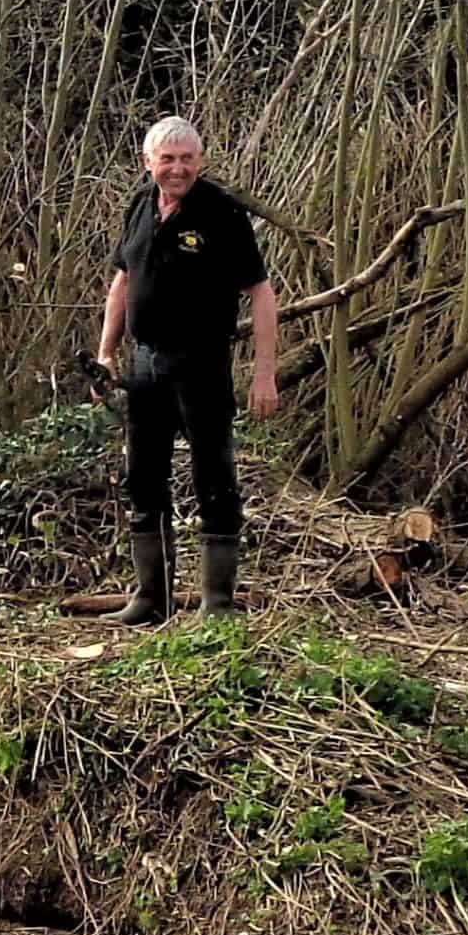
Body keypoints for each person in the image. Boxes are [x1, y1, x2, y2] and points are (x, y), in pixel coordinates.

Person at [95, 116, 278, 621]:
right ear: (148, 161)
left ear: (200, 161)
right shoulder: (139, 206)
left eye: (186, 159)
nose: (177, 168)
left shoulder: (222, 213)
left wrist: (265, 373)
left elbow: (261, 293)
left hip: (202, 361)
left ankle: (216, 603)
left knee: (213, 474)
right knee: (142, 476)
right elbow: (122, 280)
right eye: (168, 159)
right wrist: (106, 353)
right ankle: (150, 598)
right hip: (145, 362)